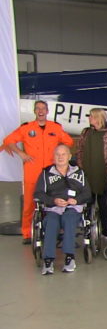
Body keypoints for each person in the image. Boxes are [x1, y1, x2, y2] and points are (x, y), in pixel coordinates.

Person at [2, 100, 73, 244]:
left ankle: (54, 230)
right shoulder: (26, 128)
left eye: (43, 108)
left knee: (54, 202)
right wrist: (21, 153)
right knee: (29, 204)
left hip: (51, 173)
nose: (40, 111)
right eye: (38, 108)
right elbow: (8, 140)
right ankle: (27, 233)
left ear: (47, 111)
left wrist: (58, 153)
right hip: (32, 172)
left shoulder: (55, 128)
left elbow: (69, 142)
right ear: (35, 111)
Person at [34, 145, 92, 275]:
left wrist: (76, 200)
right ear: (53, 157)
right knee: (51, 222)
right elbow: (38, 194)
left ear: (69, 156)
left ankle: (69, 257)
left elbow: (88, 194)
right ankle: (48, 260)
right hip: (53, 208)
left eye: (63, 154)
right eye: (57, 155)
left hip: (73, 207)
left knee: (69, 218)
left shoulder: (79, 172)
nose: (60, 157)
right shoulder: (45, 173)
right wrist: (53, 201)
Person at [77, 108, 107, 238]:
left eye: (91, 116)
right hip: (87, 173)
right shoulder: (86, 132)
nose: (89, 118)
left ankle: (105, 231)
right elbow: (80, 151)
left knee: (102, 203)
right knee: (88, 202)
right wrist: (81, 167)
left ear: (97, 118)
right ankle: (88, 230)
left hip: (103, 174)